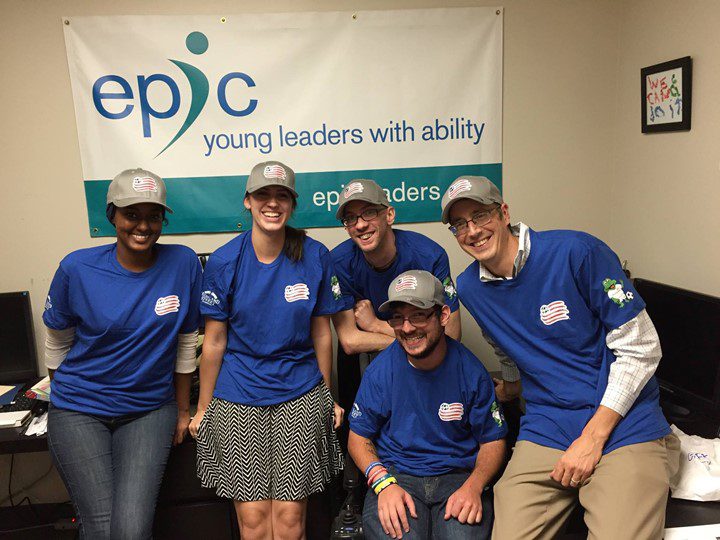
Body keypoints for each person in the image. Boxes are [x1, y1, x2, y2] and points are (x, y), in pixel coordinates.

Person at [440, 175, 677, 539]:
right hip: (549, 425)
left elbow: (643, 347)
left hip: (623, 424)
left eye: (481, 215)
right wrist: (510, 388)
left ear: (503, 213)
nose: (472, 231)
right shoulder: (470, 287)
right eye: (460, 225)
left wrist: (592, 438)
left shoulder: (578, 252)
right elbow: (504, 345)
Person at [190, 160, 345, 540]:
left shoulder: (314, 255)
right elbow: (214, 341)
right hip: (238, 396)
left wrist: (328, 396)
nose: (272, 204)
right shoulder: (226, 260)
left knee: (291, 520)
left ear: (292, 204)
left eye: (281, 195)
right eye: (263, 195)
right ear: (248, 201)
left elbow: (322, 334)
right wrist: (201, 409)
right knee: (256, 521)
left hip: (301, 394)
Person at [43, 168, 201, 539]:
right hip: (79, 410)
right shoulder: (77, 268)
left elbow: (185, 341)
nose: (143, 225)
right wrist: (69, 398)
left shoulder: (182, 263)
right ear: (112, 214)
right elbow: (57, 343)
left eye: (153, 215)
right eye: (132, 214)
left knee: (131, 530)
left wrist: (181, 410)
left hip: (148, 409)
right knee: (100, 527)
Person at [348, 270, 506, 540]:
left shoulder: (470, 372)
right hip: (398, 475)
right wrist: (382, 483)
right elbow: (358, 436)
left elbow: (493, 440)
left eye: (418, 315)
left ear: (443, 316)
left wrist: (475, 485)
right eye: (398, 318)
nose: (407, 328)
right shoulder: (381, 371)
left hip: (457, 476)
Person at [330, 179, 462, 428]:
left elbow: (452, 335)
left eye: (369, 212)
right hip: (365, 361)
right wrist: (419, 340)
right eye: (350, 218)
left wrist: (375, 325)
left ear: (389, 214)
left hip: (424, 362)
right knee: (360, 430)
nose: (360, 224)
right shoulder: (338, 262)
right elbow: (349, 341)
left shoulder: (428, 255)